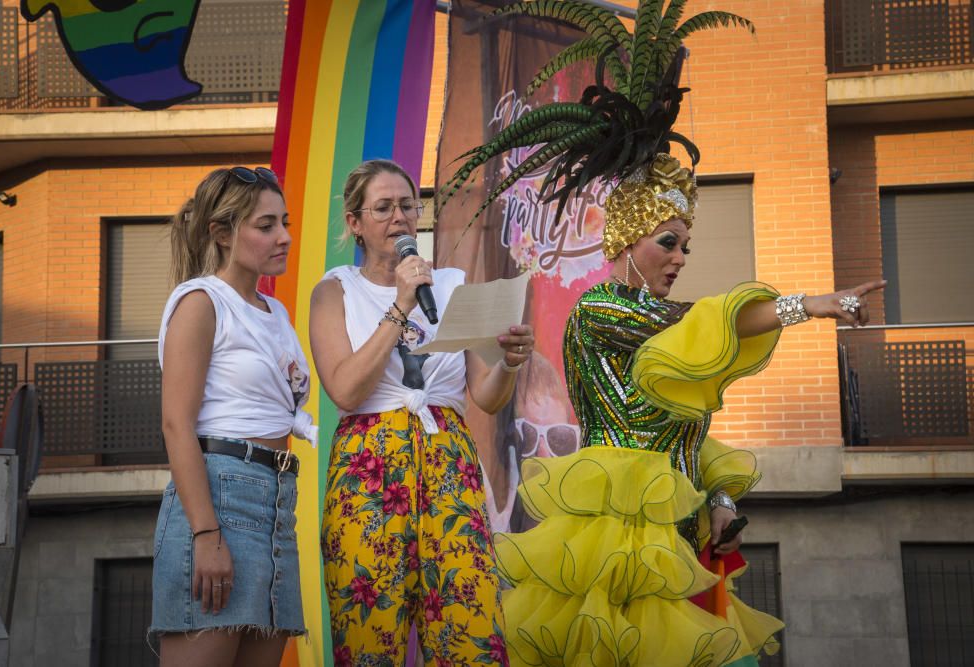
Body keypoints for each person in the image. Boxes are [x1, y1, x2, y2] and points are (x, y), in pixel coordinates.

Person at [438, 3, 885, 663]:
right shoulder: (602, 314)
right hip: (621, 556)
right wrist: (814, 303)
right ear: (626, 239)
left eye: (686, 246)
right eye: (668, 242)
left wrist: (723, 499)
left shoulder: (667, 339)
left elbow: (687, 432)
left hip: (680, 545)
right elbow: (705, 322)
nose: (679, 258)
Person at [311, 159, 532, 665]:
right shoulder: (335, 290)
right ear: (354, 222)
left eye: (409, 206)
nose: (400, 217)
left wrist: (510, 364)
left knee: (468, 625)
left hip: (447, 460)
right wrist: (400, 307)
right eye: (383, 207)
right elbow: (344, 389)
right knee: (371, 634)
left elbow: (486, 395)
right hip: (368, 470)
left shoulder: (452, 284)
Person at [150, 166, 314, 666]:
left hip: (278, 505)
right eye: (266, 226)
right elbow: (177, 423)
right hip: (220, 497)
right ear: (221, 232)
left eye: (283, 222)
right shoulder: (201, 302)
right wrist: (205, 533)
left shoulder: (276, 312)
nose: (284, 237)